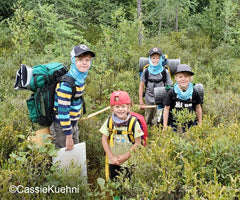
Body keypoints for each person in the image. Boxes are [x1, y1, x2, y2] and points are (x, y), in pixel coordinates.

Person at [50, 44, 95, 150]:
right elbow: (63, 112)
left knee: (74, 157)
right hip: (62, 127)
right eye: (80, 59)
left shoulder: (79, 79)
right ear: (73, 61)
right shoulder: (66, 84)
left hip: (73, 124)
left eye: (87, 60)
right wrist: (69, 136)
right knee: (63, 160)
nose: (84, 62)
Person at [100, 91, 143, 182]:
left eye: (123, 106)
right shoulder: (109, 121)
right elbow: (104, 139)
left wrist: (125, 156)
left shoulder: (133, 122)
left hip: (129, 162)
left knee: (128, 184)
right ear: (112, 108)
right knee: (114, 184)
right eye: (117, 107)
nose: (120, 109)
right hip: (113, 161)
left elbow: (138, 143)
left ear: (128, 107)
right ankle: (116, 197)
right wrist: (111, 157)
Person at [162, 64, 202, 133]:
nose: (183, 79)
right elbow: (166, 108)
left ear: (190, 79)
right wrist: (165, 126)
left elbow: (198, 107)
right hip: (175, 124)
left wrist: (200, 123)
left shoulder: (194, 92)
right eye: (180, 77)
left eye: (186, 76)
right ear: (176, 78)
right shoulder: (172, 92)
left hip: (191, 124)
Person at [139, 47, 173, 126]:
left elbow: (170, 86)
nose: (155, 60)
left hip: (160, 101)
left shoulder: (165, 71)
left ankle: (156, 134)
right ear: (149, 59)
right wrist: (141, 101)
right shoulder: (146, 71)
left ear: (161, 59)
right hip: (148, 99)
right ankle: (147, 133)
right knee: (147, 119)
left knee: (157, 121)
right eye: (153, 58)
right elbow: (141, 86)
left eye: (157, 58)